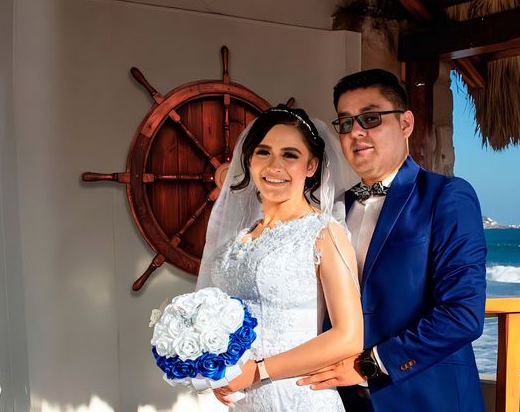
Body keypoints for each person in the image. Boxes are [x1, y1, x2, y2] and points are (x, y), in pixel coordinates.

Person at [298, 69, 487, 411]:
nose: (356, 132)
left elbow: (463, 313)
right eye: (345, 123)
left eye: (370, 118)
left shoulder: (447, 196)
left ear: (406, 124)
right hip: (338, 400)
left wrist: (370, 365)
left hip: (427, 397)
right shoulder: (332, 209)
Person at [196, 106, 363, 411]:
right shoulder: (238, 240)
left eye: (290, 155)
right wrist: (218, 371)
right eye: (264, 152)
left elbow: (349, 337)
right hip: (245, 402)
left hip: (298, 398)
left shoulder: (324, 233)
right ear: (249, 160)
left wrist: (258, 371)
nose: (274, 166)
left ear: (311, 166)